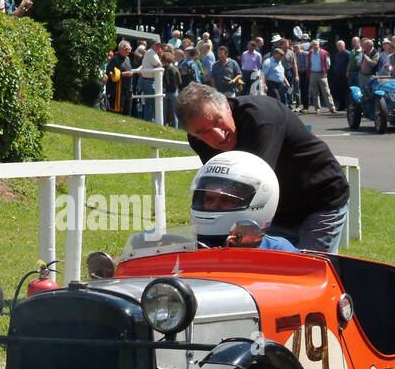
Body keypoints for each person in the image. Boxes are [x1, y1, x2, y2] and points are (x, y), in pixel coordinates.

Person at [176, 83, 351, 252]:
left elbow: (251, 186)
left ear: (227, 107)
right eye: (202, 132)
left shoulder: (261, 118)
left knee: (310, 272)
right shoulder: (198, 141)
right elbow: (222, 187)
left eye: (217, 121)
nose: (217, 136)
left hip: (319, 201)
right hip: (276, 211)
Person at [189, 151, 296, 251]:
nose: (214, 206)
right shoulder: (191, 249)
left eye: (227, 200)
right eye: (209, 199)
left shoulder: (278, 250)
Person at [104, 40, 136, 114]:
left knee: (126, 112)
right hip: (116, 91)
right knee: (116, 113)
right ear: (120, 49)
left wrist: (131, 90)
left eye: (129, 49)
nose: (128, 51)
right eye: (126, 49)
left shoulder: (127, 59)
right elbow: (110, 75)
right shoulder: (114, 59)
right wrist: (123, 74)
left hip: (127, 90)